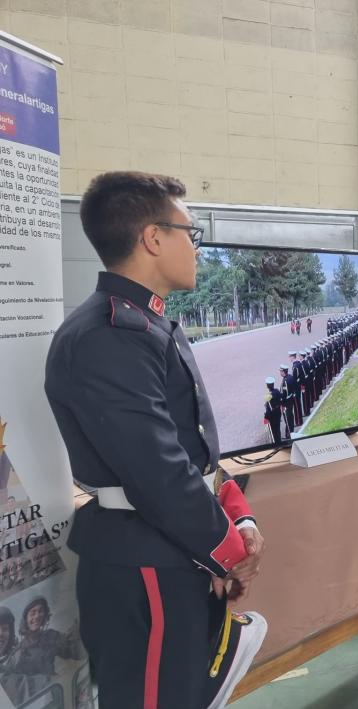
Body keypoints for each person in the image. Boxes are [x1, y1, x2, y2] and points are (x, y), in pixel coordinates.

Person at [44, 171, 268, 709]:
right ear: (152, 238)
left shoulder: (146, 323)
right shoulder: (107, 337)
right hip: (143, 563)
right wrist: (229, 551)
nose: (196, 246)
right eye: (190, 233)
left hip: (172, 550)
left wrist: (238, 515)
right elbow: (159, 473)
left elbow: (191, 452)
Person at [263, 377, 283, 445]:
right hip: (278, 412)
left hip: (272, 414)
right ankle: (279, 442)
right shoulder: (277, 391)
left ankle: (276, 444)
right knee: (277, 429)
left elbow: (268, 408)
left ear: (267, 385)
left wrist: (266, 417)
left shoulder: (268, 395)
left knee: (273, 431)